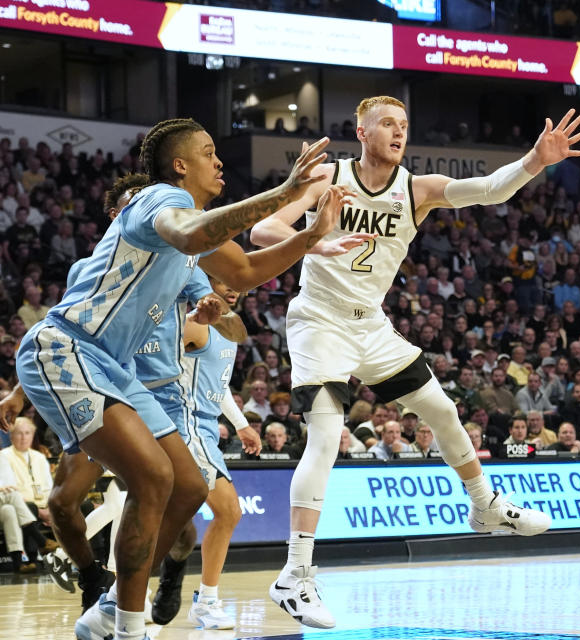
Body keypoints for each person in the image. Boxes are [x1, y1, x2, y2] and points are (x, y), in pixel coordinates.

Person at [7, 118, 361, 640]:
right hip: (69, 349)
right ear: (180, 165)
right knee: (140, 481)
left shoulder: (193, 233)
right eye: (209, 152)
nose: (219, 162)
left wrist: (310, 235)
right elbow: (190, 231)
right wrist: (285, 193)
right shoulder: (156, 201)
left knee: (190, 485)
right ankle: (125, 623)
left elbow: (241, 273)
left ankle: (109, 608)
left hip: (116, 369)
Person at [250, 97, 580, 627]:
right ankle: (294, 574)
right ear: (360, 131)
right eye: (387, 123)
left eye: (404, 125)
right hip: (320, 320)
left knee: (442, 410)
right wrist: (312, 242)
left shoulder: (417, 189)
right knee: (325, 437)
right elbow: (263, 231)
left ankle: (484, 504)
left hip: (372, 326)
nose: (397, 132)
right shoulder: (327, 177)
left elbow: (489, 190)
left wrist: (534, 161)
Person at [180, 273, 262, 629]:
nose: (232, 288)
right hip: (185, 423)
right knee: (228, 511)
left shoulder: (230, 334)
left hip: (206, 426)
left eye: (237, 284)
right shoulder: (193, 324)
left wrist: (241, 423)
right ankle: (206, 601)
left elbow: (220, 385)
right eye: (223, 280)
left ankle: (117, 594)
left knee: (158, 519)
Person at [0, 440, 56, 573]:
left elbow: (10, 482)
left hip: (3, 503)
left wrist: (4, 488)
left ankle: (18, 564)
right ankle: (41, 541)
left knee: (9, 511)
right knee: (13, 495)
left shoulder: (2, 457)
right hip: (5, 497)